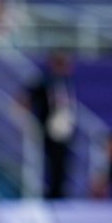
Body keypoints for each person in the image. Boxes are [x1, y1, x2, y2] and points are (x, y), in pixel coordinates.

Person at [24, 51, 77, 199]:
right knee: (51, 163)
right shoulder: (44, 81)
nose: (66, 67)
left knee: (63, 165)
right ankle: (51, 194)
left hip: (65, 129)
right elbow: (26, 99)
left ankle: (59, 193)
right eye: (62, 63)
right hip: (49, 128)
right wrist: (27, 122)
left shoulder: (66, 81)